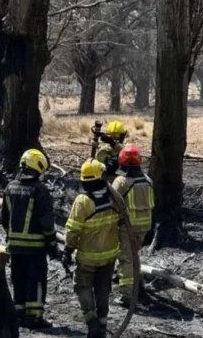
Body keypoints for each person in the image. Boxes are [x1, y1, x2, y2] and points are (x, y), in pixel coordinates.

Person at [1, 149, 59, 329]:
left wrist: (12, 237)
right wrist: (52, 244)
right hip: (36, 249)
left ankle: (18, 314)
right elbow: (47, 221)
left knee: (18, 279)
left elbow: (4, 217)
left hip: (15, 247)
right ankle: (34, 318)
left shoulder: (10, 187)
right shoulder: (40, 190)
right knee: (36, 281)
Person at [63, 160, 120, 338]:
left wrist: (67, 250)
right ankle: (102, 323)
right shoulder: (114, 198)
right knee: (103, 289)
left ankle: (92, 322)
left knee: (82, 286)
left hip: (87, 257)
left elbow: (73, 230)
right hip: (110, 255)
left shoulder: (82, 201)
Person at [112, 144, 154, 306]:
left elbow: (112, 201)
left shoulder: (122, 182)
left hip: (127, 227)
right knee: (134, 256)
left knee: (126, 260)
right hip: (144, 227)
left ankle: (127, 295)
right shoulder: (148, 181)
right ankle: (139, 286)